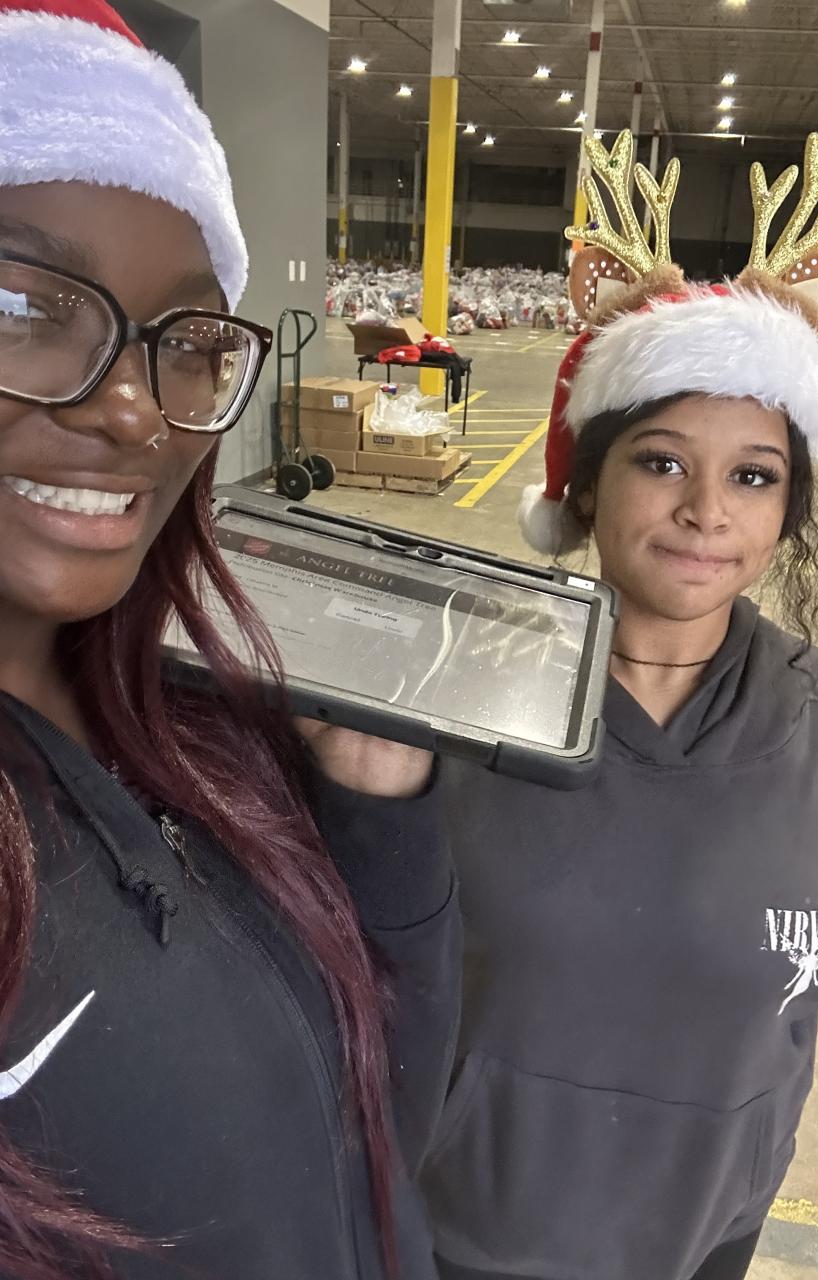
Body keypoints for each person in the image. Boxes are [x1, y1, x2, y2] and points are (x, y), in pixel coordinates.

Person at [0, 2, 458, 1277]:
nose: (134, 408)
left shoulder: (197, 707)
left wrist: (380, 810)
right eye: (22, 303)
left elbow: (378, 1124)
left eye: (189, 341)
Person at [422, 266, 818, 1280]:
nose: (707, 510)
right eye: (663, 462)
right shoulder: (451, 693)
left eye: (753, 476)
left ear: (788, 508)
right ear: (586, 485)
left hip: (705, 1238)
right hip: (468, 1231)